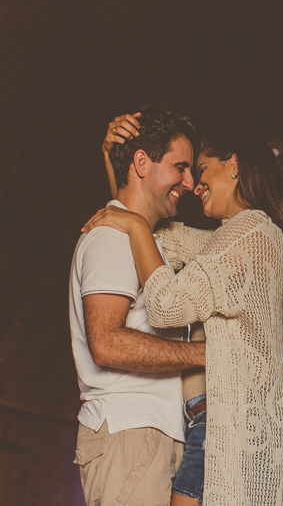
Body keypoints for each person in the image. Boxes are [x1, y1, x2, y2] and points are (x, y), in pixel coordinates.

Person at [84, 124, 283, 506]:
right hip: (208, 423)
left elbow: (165, 304)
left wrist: (134, 223)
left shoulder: (252, 232)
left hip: (221, 427)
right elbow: (152, 231)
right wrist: (115, 160)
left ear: (233, 165)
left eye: (201, 169)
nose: (193, 183)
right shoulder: (230, 237)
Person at [70, 106, 205, 506]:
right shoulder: (111, 237)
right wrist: (203, 355)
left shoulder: (145, 236)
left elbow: (130, 197)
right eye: (180, 167)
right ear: (143, 162)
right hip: (129, 430)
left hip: (151, 432)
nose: (190, 181)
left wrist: (111, 154)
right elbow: (107, 343)